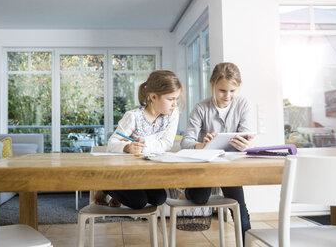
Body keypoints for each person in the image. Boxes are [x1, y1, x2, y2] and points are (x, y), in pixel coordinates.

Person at [181, 62, 253, 239]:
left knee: (239, 208)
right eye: (222, 90)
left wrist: (246, 145)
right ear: (212, 85)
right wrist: (201, 145)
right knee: (199, 198)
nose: (227, 96)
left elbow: (247, 136)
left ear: (238, 88)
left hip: (230, 166)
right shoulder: (201, 108)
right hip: (206, 165)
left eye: (232, 91)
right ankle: (187, 190)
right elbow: (186, 141)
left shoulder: (243, 105)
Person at [96, 70, 185, 209]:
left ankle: (121, 194)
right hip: (125, 173)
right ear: (153, 97)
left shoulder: (172, 114)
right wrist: (127, 147)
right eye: (170, 99)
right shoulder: (133, 117)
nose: (174, 104)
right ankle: (106, 187)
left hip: (146, 174)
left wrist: (144, 143)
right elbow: (112, 144)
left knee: (159, 198)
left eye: (176, 99)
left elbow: (167, 144)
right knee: (138, 202)